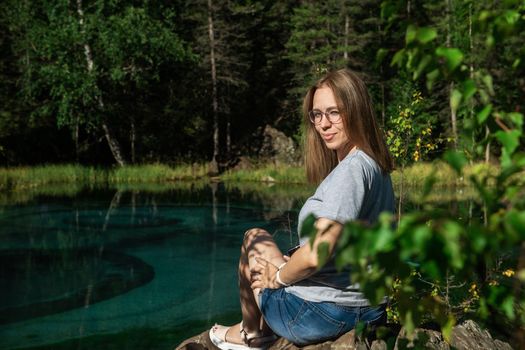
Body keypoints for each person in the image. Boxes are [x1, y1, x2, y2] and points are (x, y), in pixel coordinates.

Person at [209, 68, 395, 349]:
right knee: (275, 254)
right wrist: (291, 260)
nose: (323, 124)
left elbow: (316, 255)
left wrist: (280, 276)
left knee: (254, 238)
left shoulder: (351, 171)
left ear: (356, 110)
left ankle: (250, 334)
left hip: (322, 315)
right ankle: (251, 330)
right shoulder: (374, 166)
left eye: (334, 112)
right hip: (368, 309)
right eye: (317, 115)